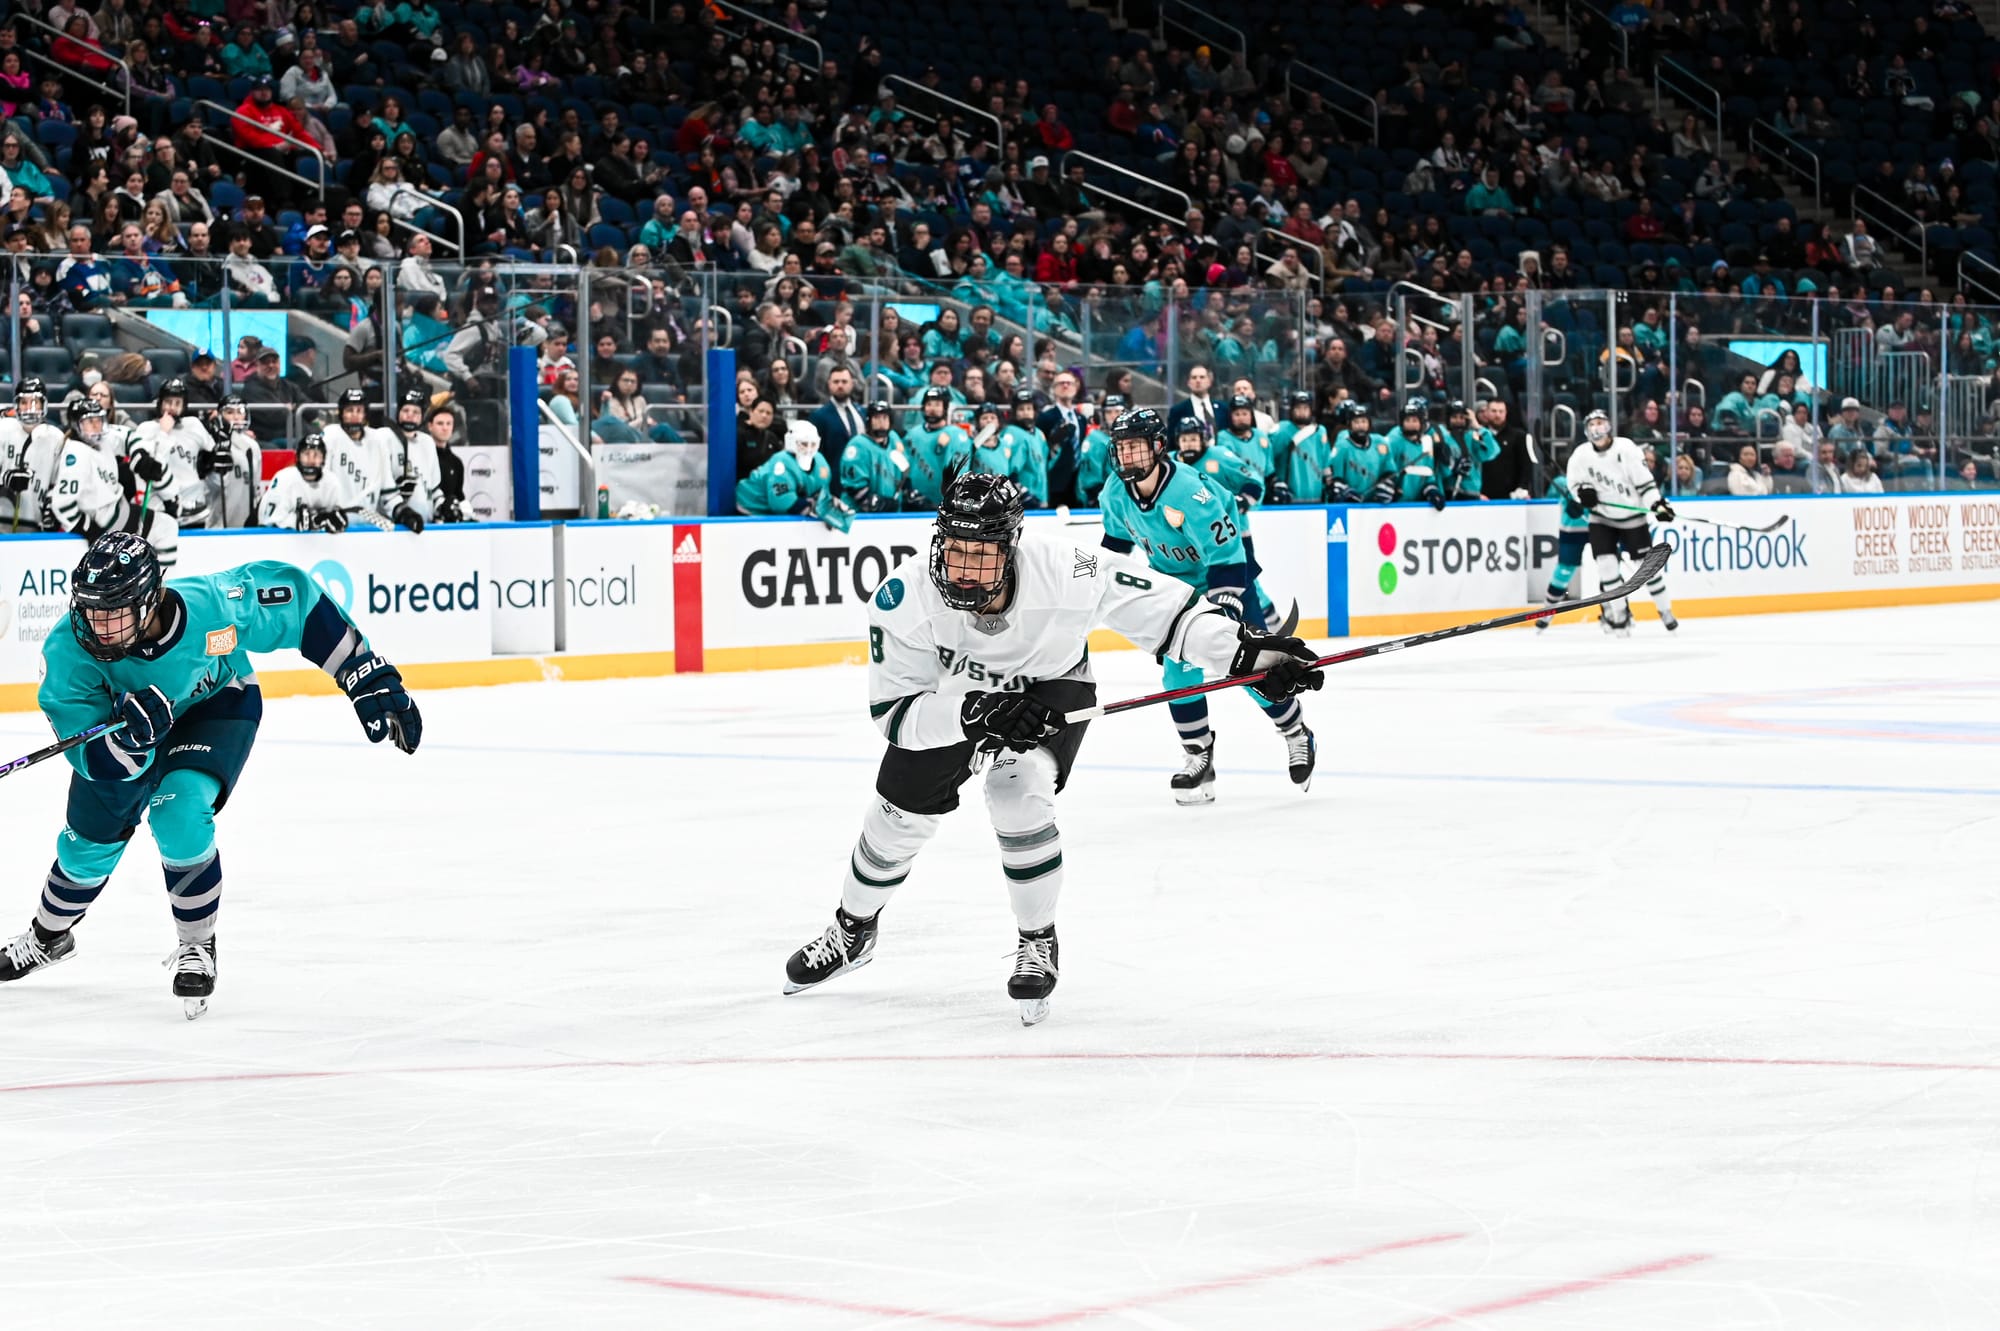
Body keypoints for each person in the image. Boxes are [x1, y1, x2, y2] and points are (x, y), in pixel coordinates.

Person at [779, 466, 1324, 1024]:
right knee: (894, 816)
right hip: (955, 702)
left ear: (1011, 548)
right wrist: (973, 711)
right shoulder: (903, 596)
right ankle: (853, 930)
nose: (964, 570)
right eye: (955, 550)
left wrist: (1250, 657)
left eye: (982, 554)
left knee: (1018, 791)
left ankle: (1038, 941)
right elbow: (895, 714)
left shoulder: (1070, 569)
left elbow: (1170, 616)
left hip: (1051, 685)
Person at [0, 532, 422, 1018]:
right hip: (121, 733)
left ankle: (197, 945)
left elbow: (297, 602)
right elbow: (93, 756)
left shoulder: (213, 609)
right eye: (91, 610)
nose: (96, 628)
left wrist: (362, 671)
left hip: (216, 705)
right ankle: (48, 937)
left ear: (150, 600)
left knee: (178, 810)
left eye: (112, 613)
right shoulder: (68, 655)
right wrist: (129, 741)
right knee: (85, 847)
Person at [1098, 409, 1318, 803]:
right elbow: (1114, 548)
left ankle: (1296, 733)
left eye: (1135, 446)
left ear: (1158, 448)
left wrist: (1225, 609)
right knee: (1178, 676)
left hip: (1226, 577)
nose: (1127, 456)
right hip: (1174, 590)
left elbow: (1226, 553)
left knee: (1251, 671)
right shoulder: (1115, 493)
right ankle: (1199, 755)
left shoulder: (1189, 491)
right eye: (1121, 448)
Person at [1566, 410, 1677, 636]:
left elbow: (1644, 483)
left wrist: (1656, 504)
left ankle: (1665, 611)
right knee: (1606, 567)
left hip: (1632, 520)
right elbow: (1575, 486)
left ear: (1608, 426)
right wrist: (1581, 496)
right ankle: (1620, 616)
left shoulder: (1626, 449)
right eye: (1592, 424)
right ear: (1586, 430)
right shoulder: (1580, 455)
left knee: (1647, 570)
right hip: (1601, 519)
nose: (1597, 428)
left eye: (1601, 423)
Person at [46, 397, 177, 567]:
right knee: (166, 527)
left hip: (120, 512)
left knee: (166, 526)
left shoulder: (102, 439)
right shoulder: (76, 455)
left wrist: (140, 457)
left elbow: (128, 436)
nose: (96, 425)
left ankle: (155, 586)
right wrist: (90, 529)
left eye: (99, 420)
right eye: (89, 422)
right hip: (107, 523)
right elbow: (62, 505)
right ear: (76, 425)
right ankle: (161, 587)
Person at [736, 418, 852, 530]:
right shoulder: (781, 463)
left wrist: (827, 503)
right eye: (804, 444)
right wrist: (815, 507)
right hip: (751, 507)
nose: (809, 449)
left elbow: (821, 494)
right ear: (791, 442)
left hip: (772, 509)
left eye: (813, 444)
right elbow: (780, 503)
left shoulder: (821, 463)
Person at [127, 377, 214, 527]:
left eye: (177, 403)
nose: (172, 407)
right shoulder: (146, 429)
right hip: (160, 504)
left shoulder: (194, 425)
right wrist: (164, 433)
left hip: (194, 505)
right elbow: (152, 467)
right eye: (168, 402)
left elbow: (211, 454)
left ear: (184, 405)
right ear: (160, 403)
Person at [0, 377, 67, 530]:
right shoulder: (3, 429)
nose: (29, 408)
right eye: (24, 402)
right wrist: (5, 479)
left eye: (35, 402)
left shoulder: (56, 438)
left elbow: (58, 482)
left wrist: (52, 505)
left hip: (35, 521)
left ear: (43, 405)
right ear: (16, 405)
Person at [259, 431, 354, 530]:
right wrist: (295, 521)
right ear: (298, 457)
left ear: (323, 459)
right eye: (306, 454)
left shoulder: (332, 482)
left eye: (316, 455)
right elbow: (269, 520)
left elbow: (335, 516)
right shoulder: (285, 478)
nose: (311, 460)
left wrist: (333, 520)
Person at [1535, 470, 1592, 630]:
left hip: (1600, 526)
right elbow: (1551, 498)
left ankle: (1612, 612)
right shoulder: (1562, 481)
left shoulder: (1602, 476)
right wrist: (1570, 503)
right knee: (1564, 571)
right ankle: (1547, 611)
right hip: (1571, 529)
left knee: (1607, 566)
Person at [193, 395, 260, 527]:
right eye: (229, 412)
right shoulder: (210, 443)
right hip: (217, 522)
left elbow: (255, 487)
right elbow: (211, 485)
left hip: (245, 524)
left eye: (240, 412)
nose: (236, 417)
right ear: (219, 415)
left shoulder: (253, 446)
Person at [901, 386, 968, 508]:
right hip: (914, 503)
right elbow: (904, 465)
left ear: (945, 408)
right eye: (929, 404)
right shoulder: (913, 434)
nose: (932, 409)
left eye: (937, 404)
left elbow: (959, 472)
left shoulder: (957, 434)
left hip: (945, 506)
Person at [838, 400, 909, 512]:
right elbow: (854, 488)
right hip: (859, 517)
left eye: (885, 418)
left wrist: (908, 492)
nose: (881, 422)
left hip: (891, 517)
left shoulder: (894, 439)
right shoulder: (857, 446)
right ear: (869, 420)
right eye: (877, 418)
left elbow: (904, 471)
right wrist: (877, 503)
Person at [1323, 402, 1400, 503]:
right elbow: (1332, 477)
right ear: (1350, 425)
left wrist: (1386, 485)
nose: (1360, 426)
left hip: (1375, 506)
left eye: (1364, 422)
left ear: (1369, 424)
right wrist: (1345, 492)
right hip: (1349, 507)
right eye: (1356, 422)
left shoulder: (1380, 443)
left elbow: (1389, 471)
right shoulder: (1342, 446)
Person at [1270, 391, 1330, 504]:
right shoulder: (1281, 430)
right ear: (1292, 409)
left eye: (1305, 408)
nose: (1302, 412)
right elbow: (1268, 460)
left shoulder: (1320, 431)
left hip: (1316, 497)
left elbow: (1325, 463)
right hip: (1288, 498)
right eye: (1298, 408)